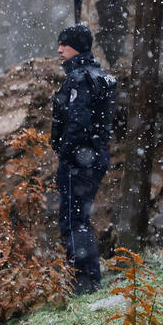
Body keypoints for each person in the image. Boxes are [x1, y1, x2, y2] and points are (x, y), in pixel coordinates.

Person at [51, 25, 116, 295]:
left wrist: (66, 154)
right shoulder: (100, 77)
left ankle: (83, 284)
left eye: (64, 44)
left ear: (77, 47)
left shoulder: (79, 79)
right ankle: (89, 281)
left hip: (80, 160)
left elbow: (78, 123)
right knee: (80, 219)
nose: (59, 50)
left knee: (73, 221)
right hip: (94, 156)